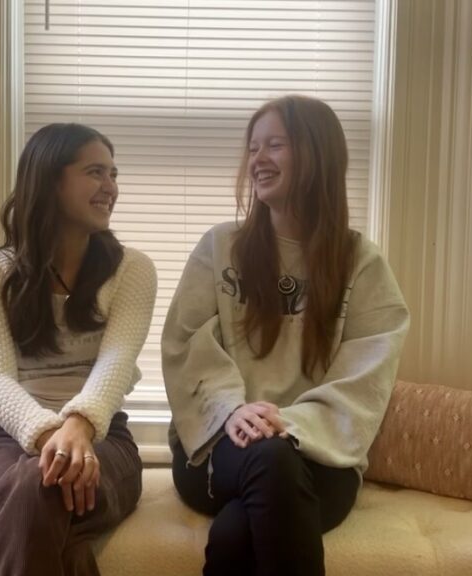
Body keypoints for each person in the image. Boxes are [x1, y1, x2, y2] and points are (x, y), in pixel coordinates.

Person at [162, 95, 410, 576]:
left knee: (237, 532)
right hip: (218, 449)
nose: (258, 159)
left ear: (317, 154)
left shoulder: (362, 263)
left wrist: (289, 424)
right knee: (269, 460)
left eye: (275, 144)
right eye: (253, 148)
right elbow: (184, 343)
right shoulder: (220, 246)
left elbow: (367, 373)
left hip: (321, 454)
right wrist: (234, 409)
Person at [0, 123, 156, 576]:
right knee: (45, 505)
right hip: (10, 439)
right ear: (50, 179)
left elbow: (116, 362)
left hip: (106, 440)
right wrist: (53, 438)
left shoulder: (132, 270)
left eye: (114, 174)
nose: (110, 187)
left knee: (31, 487)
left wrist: (78, 429)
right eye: (95, 172)